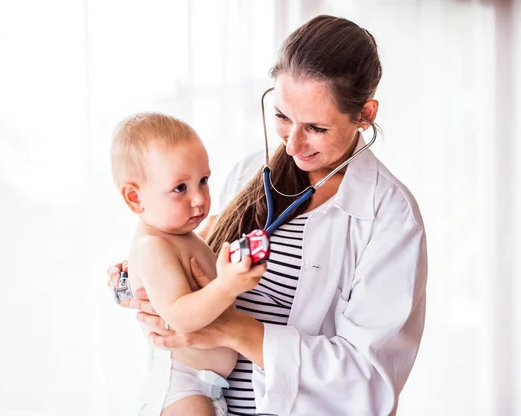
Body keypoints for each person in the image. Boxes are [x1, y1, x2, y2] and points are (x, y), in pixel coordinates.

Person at [109, 15, 427, 416]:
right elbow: (184, 258)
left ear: (365, 114)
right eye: (282, 117)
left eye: (316, 127)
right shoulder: (248, 174)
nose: (293, 144)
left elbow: (369, 382)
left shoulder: (389, 217)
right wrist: (133, 286)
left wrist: (237, 330)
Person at [109, 112, 267, 416]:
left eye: (203, 181)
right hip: (181, 388)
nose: (199, 199)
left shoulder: (183, 235)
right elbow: (180, 316)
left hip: (207, 386)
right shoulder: (153, 246)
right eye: (180, 188)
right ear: (134, 198)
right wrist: (227, 285)